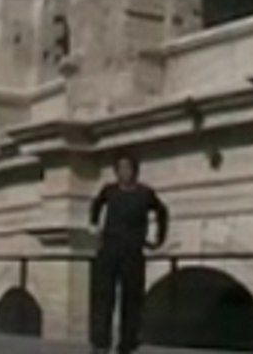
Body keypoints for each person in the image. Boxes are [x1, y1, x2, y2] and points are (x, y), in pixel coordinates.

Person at [89, 151, 169, 354]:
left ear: (135, 171)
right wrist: (94, 226)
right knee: (103, 296)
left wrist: (158, 239)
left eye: (128, 168)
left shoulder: (145, 193)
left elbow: (162, 212)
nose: (124, 172)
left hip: (133, 251)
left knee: (132, 299)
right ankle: (100, 342)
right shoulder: (109, 191)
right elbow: (96, 205)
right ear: (116, 172)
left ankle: (127, 342)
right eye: (120, 168)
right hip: (109, 249)